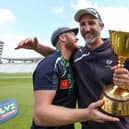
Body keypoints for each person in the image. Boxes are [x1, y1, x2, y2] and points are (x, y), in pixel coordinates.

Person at [15, 8, 129, 129]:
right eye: (82, 24)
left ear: (101, 26)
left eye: (91, 23)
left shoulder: (119, 50)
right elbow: (58, 55)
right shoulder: (77, 54)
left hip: (119, 125)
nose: (87, 28)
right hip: (89, 125)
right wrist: (36, 47)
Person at [28, 27, 119, 129]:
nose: (77, 38)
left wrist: (38, 47)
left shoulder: (71, 64)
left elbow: (57, 54)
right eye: (73, 35)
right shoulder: (49, 64)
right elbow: (40, 115)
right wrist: (87, 114)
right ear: (63, 38)